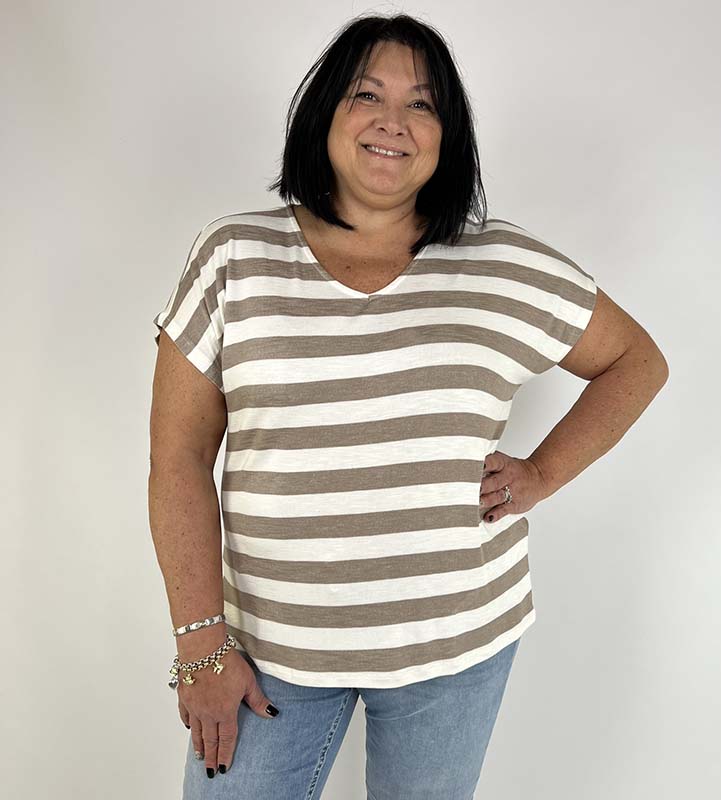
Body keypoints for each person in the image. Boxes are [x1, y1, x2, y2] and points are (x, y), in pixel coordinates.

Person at [148, 13, 669, 799]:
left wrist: (542, 473)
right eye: (367, 94)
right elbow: (178, 459)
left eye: (421, 104)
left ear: (446, 135)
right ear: (324, 112)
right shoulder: (234, 256)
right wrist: (200, 646)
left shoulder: (502, 263)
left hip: (457, 646)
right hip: (266, 653)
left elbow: (637, 361)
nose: (393, 121)